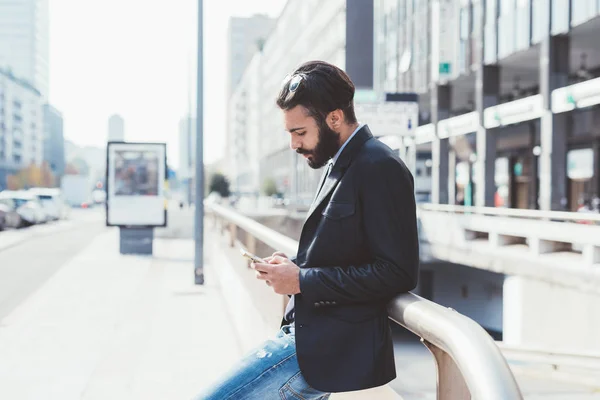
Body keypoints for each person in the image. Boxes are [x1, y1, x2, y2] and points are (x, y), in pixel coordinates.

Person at [195, 61, 419, 399]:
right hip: (307, 337)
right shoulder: (342, 164)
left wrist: (301, 280)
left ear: (334, 118)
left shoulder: (379, 166)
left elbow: (397, 272)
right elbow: (346, 249)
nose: (293, 144)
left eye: (299, 132)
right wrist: (296, 266)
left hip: (319, 347)